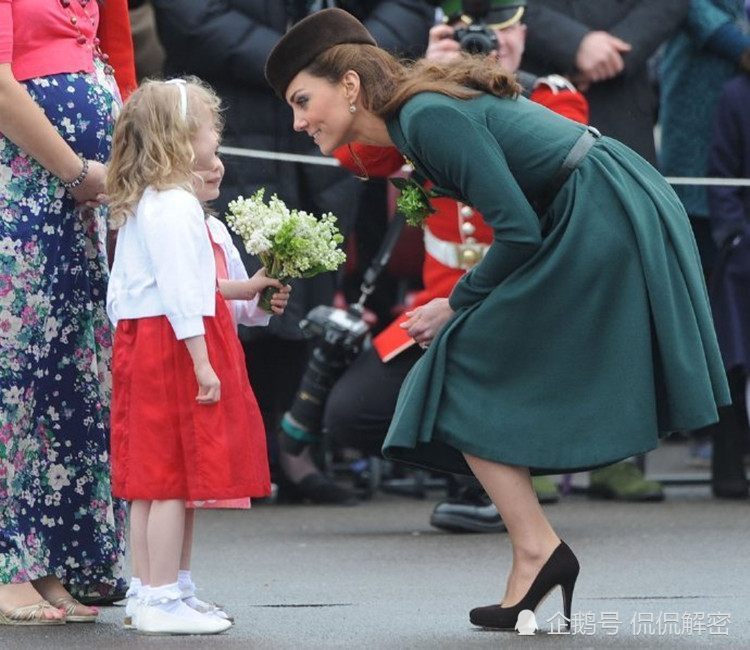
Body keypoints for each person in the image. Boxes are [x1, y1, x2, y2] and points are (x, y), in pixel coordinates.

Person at [265, 8, 730, 629]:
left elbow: (516, 231)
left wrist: (453, 302)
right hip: (591, 205)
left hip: (601, 210)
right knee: (464, 359)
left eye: (303, 101)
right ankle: (536, 550)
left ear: (349, 86)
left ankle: (538, 549)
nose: (297, 122)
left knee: (459, 356)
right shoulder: (411, 119)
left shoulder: (425, 116)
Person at [150, 0, 435, 504]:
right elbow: (191, 16)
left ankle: (295, 450)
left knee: (308, 288)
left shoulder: (327, 86)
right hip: (235, 117)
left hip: (329, 115)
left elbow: (408, 8)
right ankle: (232, 455)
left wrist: (342, 62)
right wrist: (297, 64)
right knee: (226, 289)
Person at [324, 0, 589, 533]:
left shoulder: (549, 95)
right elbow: (355, 158)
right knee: (350, 414)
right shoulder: (421, 104)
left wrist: (485, 92)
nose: (487, 48)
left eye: (499, 36)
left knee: (490, 370)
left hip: (521, 302)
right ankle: (479, 470)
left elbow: (543, 165)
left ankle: (502, 482)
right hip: (441, 305)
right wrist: (416, 79)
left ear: (522, 36)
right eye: (473, 38)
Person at [105, 77, 290, 635]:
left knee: (157, 480)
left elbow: (181, 287)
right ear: (184, 138)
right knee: (167, 479)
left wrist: (249, 291)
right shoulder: (174, 207)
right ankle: (162, 600)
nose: (218, 140)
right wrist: (202, 361)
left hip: (153, 341)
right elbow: (186, 291)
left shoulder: (156, 205)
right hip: (173, 345)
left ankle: (158, 588)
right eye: (212, 128)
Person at [521, 0, 691, 501]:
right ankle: (533, 450)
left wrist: (615, 51)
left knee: (620, 288)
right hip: (533, 86)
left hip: (622, 100)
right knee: (538, 280)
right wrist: (574, 43)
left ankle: (616, 451)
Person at [0, 0, 135, 626]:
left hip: (76, 204)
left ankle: (46, 556)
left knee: (65, 378)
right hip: (19, 190)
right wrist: (77, 169)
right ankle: (6, 566)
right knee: (13, 379)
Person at [705, 29, 750, 498]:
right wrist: (734, 234)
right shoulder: (736, 95)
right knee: (732, 361)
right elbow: (722, 171)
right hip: (746, 249)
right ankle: (728, 465)